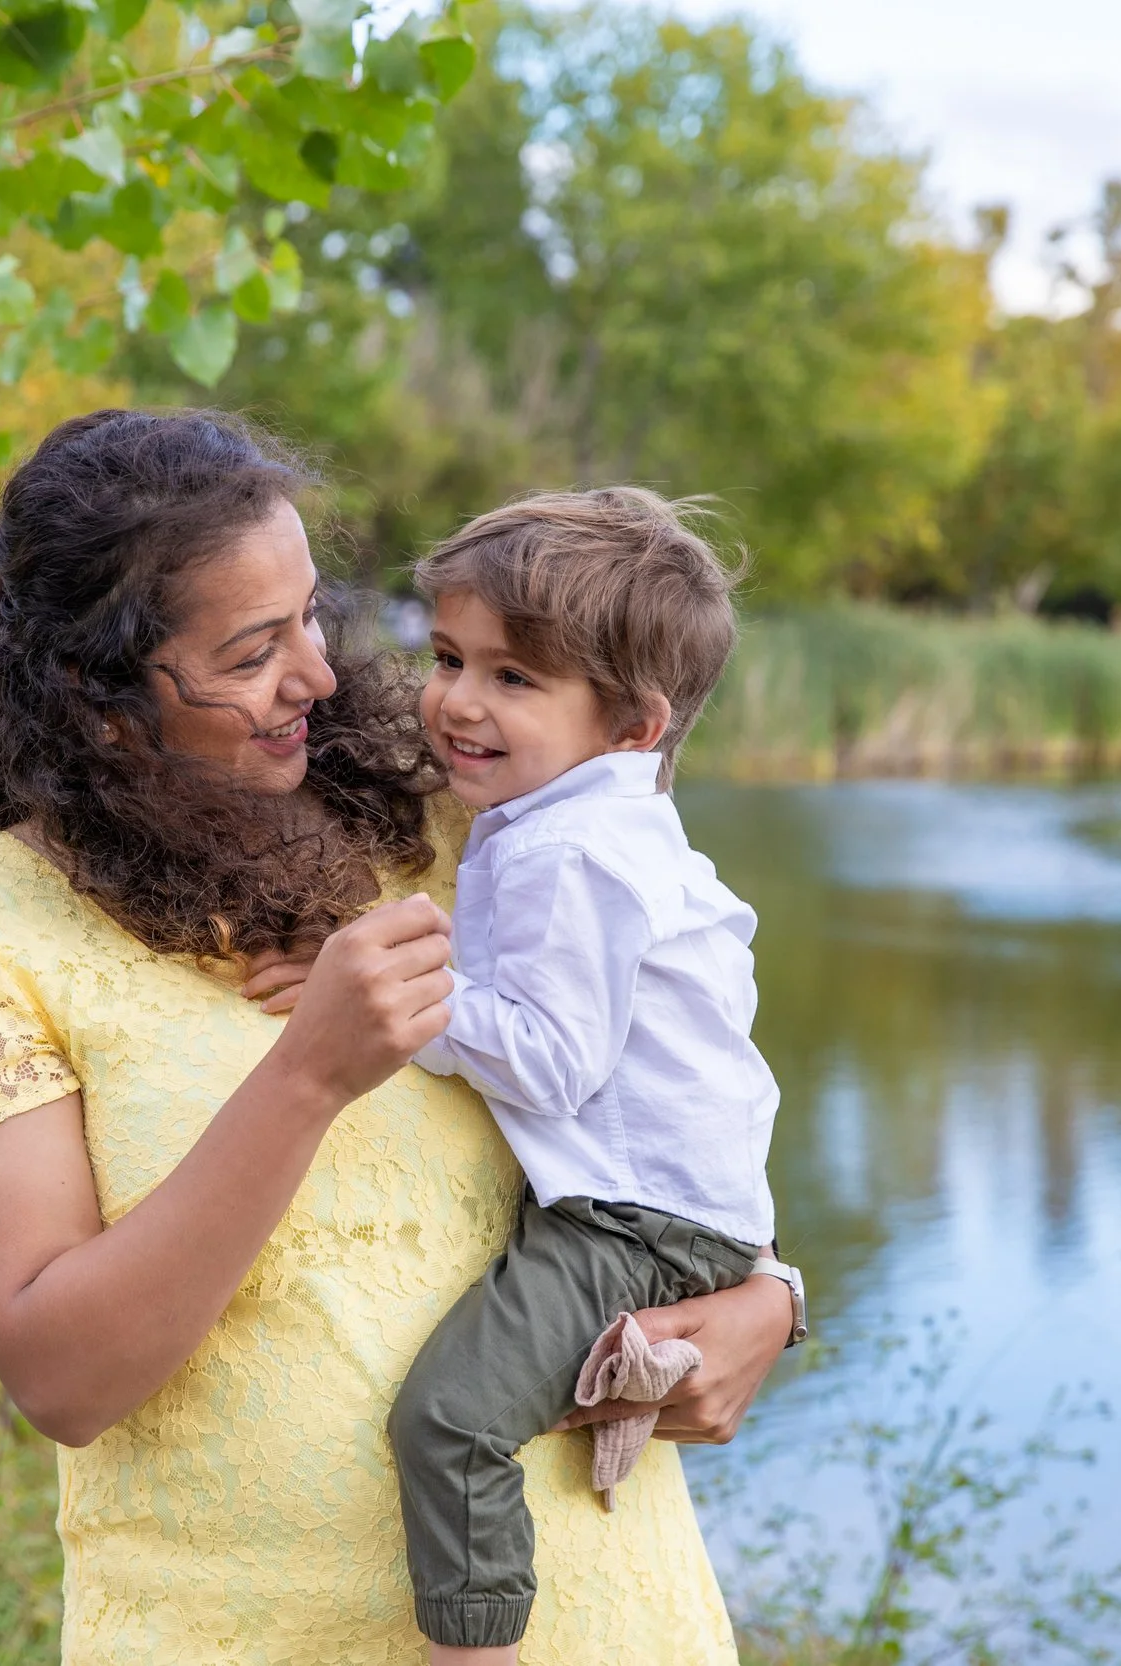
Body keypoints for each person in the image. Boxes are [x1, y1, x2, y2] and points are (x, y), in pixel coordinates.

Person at [0, 410, 800, 1663]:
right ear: (92, 696)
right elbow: (62, 1377)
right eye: (253, 650)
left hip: (610, 1617)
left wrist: (769, 1297)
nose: (315, 672)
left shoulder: (470, 831)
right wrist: (308, 1072)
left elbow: (673, 1096)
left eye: (312, 614)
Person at [391, 489, 791, 1663]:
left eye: (514, 679)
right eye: (450, 656)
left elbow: (554, 1063)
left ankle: (478, 1648)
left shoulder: (575, 851)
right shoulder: (574, 819)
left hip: (638, 1222)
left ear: (631, 724)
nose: (458, 700)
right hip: (671, 1200)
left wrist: (400, 1001)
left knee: (452, 1421)